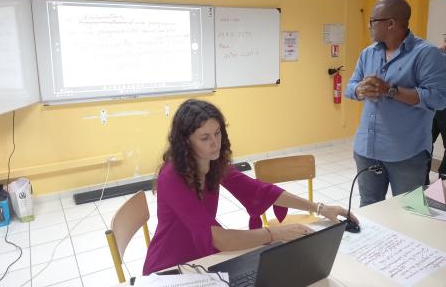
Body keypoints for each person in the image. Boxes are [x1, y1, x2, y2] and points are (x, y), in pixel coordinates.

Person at [143, 99, 356, 275]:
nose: (215, 143)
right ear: (186, 142)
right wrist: (274, 233)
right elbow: (221, 239)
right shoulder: (172, 176)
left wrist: (320, 208)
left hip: (204, 260)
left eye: (217, 133)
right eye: (205, 137)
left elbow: (259, 191)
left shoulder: (213, 161)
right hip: (169, 268)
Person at [345, 0, 446, 207]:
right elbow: (350, 87)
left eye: (373, 21)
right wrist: (360, 89)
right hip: (367, 150)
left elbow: (438, 99)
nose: (369, 26)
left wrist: (390, 90)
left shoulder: (427, 54)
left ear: (390, 23)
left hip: (406, 154)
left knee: (409, 211)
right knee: (370, 206)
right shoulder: (368, 53)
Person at [428, 41, 446, 182]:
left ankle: (442, 179)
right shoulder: (438, 57)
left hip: (437, 109)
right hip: (434, 109)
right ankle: (423, 179)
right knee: (426, 143)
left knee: (427, 143)